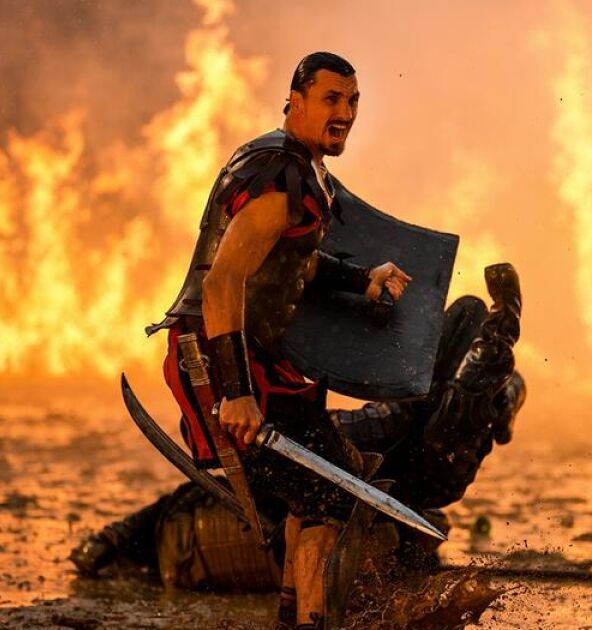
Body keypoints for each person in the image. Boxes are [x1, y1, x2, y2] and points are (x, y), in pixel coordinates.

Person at [72, 265, 525, 610]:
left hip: (317, 479)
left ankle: (479, 376)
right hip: (311, 501)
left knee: (439, 390)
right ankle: (483, 377)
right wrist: (107, 543)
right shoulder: (178, 536)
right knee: (426, 446)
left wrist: (103, 545)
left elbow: (148, 515)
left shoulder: (178, 513)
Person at [140, 52, 411, 629]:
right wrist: (236, 393)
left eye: (353, 101)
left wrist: (362, 279)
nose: (345, 113)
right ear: (296, 101)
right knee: (326, 496)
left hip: (261, 360)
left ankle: (294, 614)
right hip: (221, 361)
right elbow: (224, 282)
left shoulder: (294, 166)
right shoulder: (278, 175)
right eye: (331, 99)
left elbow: (292, 260)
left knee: (321, 490)